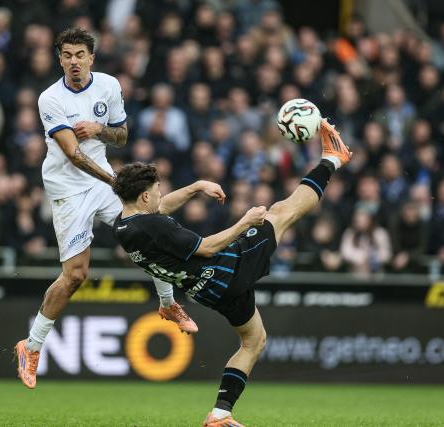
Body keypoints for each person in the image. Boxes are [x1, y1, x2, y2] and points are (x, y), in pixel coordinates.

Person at [111, 120, 351, 426]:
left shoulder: (123, 224)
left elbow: (161, 208)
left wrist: (197, 186)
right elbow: (207, 248)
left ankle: (220, 414)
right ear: (144, 197)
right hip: (225, 269)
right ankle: (333, 158)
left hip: (206, 291)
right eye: (157, 190)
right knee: (281, 213)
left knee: (254, 340)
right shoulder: (153, 225)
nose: (161, 195)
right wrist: (245, 222)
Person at [15, 27, 196, 390]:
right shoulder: (50, 98)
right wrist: (114, 181)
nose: (74, 62)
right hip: (68, 187)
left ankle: (167, 303)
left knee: (147, 226)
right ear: (59, 59)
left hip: (103, 179)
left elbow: (122, 134)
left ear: (91, 58)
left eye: (80, 55)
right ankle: (30, 346)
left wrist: (100, 129)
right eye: (66, 55)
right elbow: (71, 153)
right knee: (76, 276)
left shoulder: (109, 86)